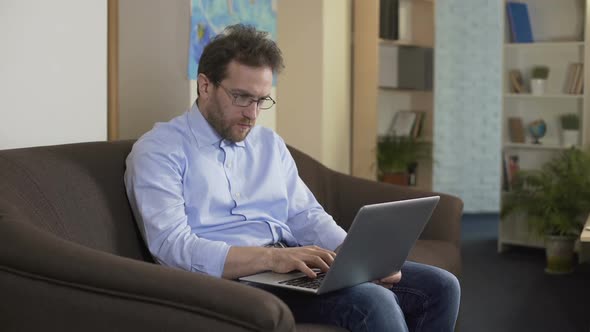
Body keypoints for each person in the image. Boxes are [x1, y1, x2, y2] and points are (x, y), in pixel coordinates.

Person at [125, 24, 460, 331]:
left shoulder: (268, 144)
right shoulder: (159, 151)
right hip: (233, 281)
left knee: (442, 285)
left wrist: (352, 255)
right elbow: (171, 247)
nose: (252, 114)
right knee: (373, 301)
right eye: (241, 97)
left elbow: (305, 214)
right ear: (205, 85)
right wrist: (272, 258)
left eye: (261, 100)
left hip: (289, 265)